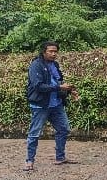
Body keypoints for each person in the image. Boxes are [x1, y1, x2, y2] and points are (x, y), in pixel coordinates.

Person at [24, 41, 79, 171]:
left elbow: (58, 82)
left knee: (64, 129)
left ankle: (60, 157)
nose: (54, 54)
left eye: (55, 51)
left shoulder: (55, 65)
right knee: (34, 133)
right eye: (51, 51)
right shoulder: (36, 65)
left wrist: (69, 91)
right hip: (40, 105)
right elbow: (38, 86)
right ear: (44, 52)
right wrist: (60, 87)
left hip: (56, 104)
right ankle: (29, 161)